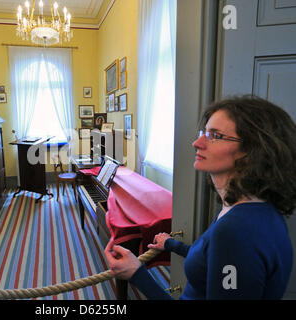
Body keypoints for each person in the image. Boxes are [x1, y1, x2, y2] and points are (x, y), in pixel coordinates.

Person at [104, 95, 295, 299]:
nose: (197, 143)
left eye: (215, 136)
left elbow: (232, 249)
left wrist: (137, 274)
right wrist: (172, 245)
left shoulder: (236, 231)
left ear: (252, 150)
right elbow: (213, 258)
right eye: (204, 132)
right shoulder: (248, 208)